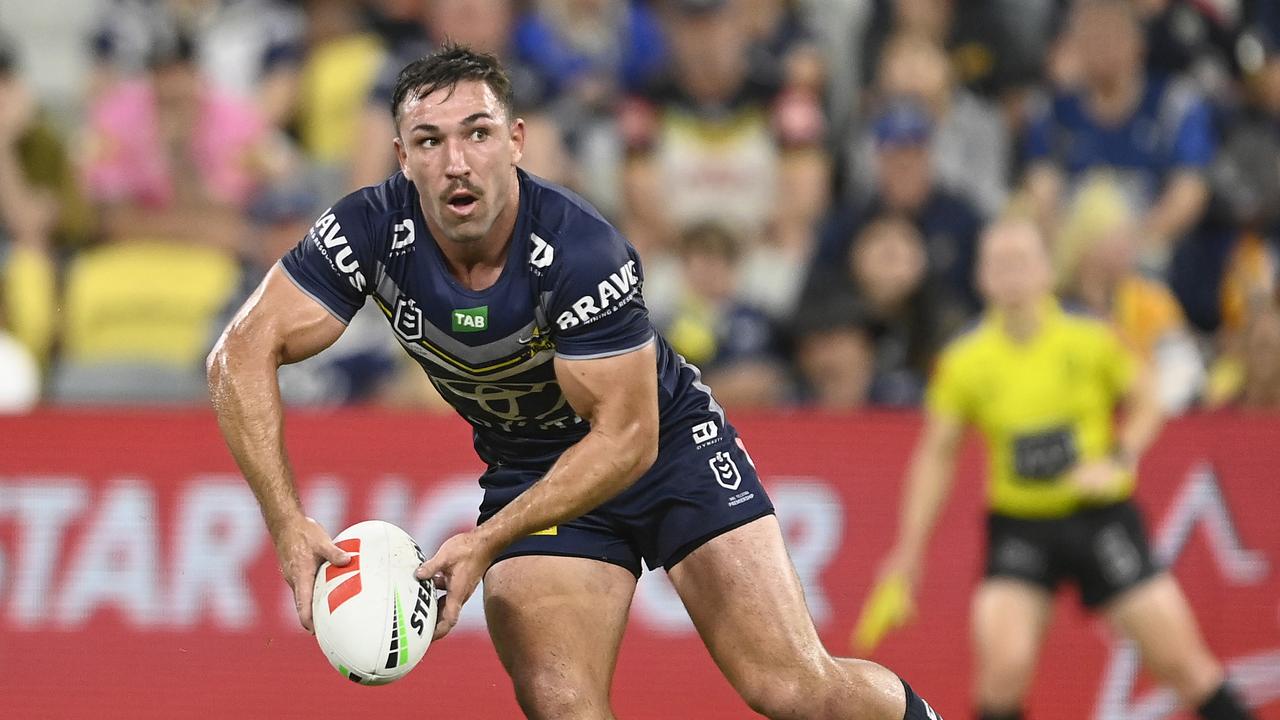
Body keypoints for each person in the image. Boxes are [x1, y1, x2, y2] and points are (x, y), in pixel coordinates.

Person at [207, 45, 942, 720]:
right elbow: (237, 355)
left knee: (793, 687)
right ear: (402, 157)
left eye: (478, 134)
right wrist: (285, 521)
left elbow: (627, 439)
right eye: (430, 142)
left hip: (666, 449)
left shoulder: (579, 248)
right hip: (534, 469)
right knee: (563, 706)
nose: (456, 162)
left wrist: (490, 537)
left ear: (517, 142)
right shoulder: (368, 229)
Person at [859, 218, 1255, 720]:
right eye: (998, 264)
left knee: (1183, 664)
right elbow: (937, 455)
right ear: (980, 278)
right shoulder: (965, 360)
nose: (1011, 274)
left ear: (1047, 270)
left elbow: (1148, 399)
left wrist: (1119, 458)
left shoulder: (1089, 337)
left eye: (1021, 261)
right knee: (1002, 670)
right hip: (1021, 526)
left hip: (1101, 518)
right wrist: (908, 553)